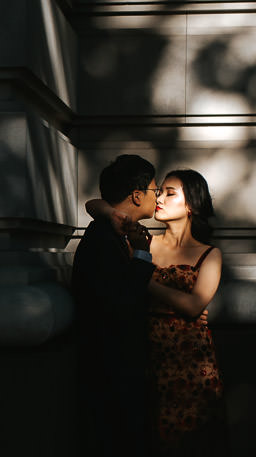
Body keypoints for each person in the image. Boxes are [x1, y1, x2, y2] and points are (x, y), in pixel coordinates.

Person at [87, 168, 228, 456]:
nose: (160, 198)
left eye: (170, 193)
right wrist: (115, 216)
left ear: (191, 205)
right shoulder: (144, 240)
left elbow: (193, 306)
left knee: (194, 443)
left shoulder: (209, 254)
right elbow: (94, 205)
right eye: (159, 191)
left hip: (192, 363)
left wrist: (144, 281)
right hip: (148, 357)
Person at [70, 154, 161, 456]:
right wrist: (142, 256)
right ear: (137, 195)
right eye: (154, 190)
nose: (157, 196)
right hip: (112, 377)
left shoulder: (114, 231)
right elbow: (120, 303)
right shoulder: (102, 239)